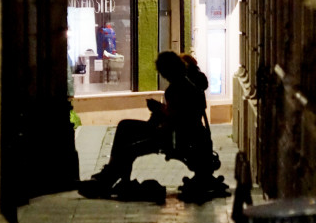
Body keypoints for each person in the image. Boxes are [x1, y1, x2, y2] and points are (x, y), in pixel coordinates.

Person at [78, 51, 216, 200]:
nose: (164, 76)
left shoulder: (179, 88)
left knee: (127, 146)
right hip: (178, 133)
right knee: (125, 127)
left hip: (174, 136)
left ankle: (108, 179)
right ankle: (110, 176)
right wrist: (160, 111)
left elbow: (178, 119)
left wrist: (159, 110)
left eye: (164, 72)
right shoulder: (185, 85)